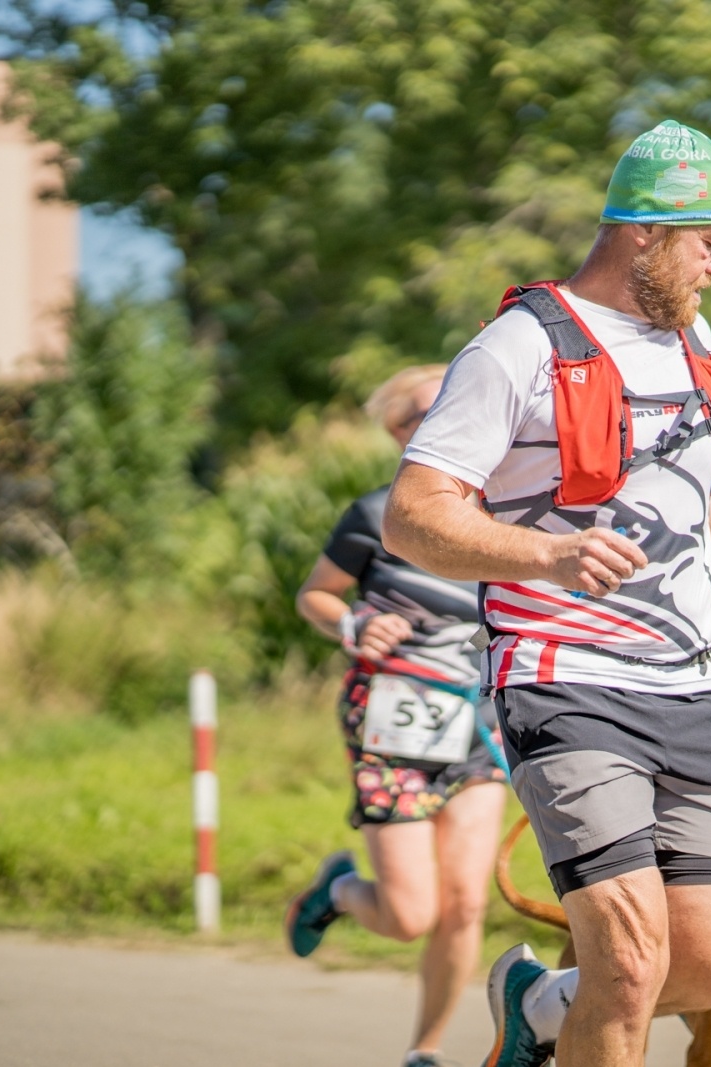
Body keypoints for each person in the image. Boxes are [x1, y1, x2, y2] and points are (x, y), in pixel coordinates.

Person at [381, 120, 711, 1067]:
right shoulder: (517, 347)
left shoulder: (695, 336)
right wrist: (545, 557)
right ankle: (581, 1002)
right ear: (644, 231)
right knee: (630, 956)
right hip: (565, 678)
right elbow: (414, 514)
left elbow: (696, 488)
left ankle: (538, 1006)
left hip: (694, 685)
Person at [286, 364, 509, 1067]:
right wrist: (354, 622)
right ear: (402, 434)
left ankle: (426, 1049)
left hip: (478, 726)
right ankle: (343, 888)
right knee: (411, 914)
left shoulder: (510, 519)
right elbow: (314, 595)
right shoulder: (375, 515)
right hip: (392, 722)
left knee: (467, 903)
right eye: (427, 407)